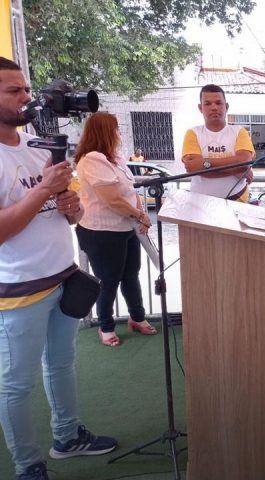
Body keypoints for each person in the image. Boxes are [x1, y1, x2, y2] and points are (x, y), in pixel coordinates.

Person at [0, 57, 117, 480]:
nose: (26, 97)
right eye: (13, 90)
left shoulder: (36, 145)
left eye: (26, 88)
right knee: (17, 384)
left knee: (62, 365)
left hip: (62, 278)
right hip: (18, 291)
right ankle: (28, 465)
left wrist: (70, 205)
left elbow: (69, 212)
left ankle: (67, 437)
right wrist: (45, 191)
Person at [74, 112, 157, 347]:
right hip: (102, 232)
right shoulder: (92, 159)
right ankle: (106, 327)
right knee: (108, 280)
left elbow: (130, 190)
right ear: (105, 132)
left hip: (126, 227)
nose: (119, 133)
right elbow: (112, 199)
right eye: (116, 128)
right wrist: (140, 215)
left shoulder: (116, 158)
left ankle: (137, 317)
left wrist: (140, 214)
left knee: (131, 275)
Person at [181, 84, 255, 203]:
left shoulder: (240, 132)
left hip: (237, 200)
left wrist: (204, 164)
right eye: (207, 104)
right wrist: (236, 170)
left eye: (218, 103)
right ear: (200, 108)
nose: (214, 107)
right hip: (200, 203)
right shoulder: (192, 133)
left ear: (226, 106)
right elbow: (194, 168)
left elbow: (244, 162)